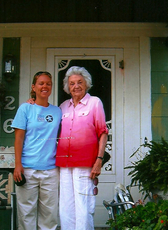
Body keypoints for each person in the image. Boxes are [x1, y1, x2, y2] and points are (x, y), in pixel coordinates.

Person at [56, 66, 108, 230]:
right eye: (72, 83)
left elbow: (102, 133)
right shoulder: (63, 106)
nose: (76, 86)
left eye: (79, 82)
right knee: (66, 209)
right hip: (64, 165)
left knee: (84, 206)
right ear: (67, 87)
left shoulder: (94, 103)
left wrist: (99, 160)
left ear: (86, 84)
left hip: (86, 164)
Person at [11, 71, 62, 230]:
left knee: (49, 214)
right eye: (41, 83)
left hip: (51, 170)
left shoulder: (58, 111)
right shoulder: (25, 108)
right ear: (34, 87)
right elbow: (18, 139)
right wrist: (18, 164)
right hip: (28, 168)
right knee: (26, 213)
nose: (45, 86)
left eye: (48, 83)